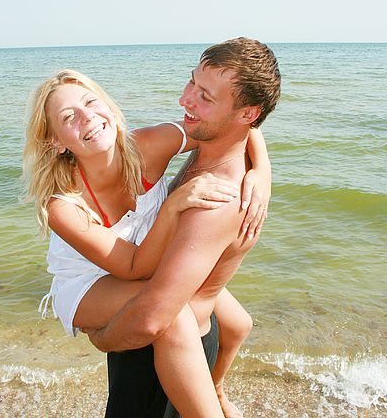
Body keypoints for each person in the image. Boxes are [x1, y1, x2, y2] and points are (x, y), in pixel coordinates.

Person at [23, 66, 272, 418]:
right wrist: (173, 206)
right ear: (55, 140)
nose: (88, 118)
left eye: (91, 103)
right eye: (69, 117)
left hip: (146, 256)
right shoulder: (64, 206)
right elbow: (133, 267)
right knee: (177, 319)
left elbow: (228, 125)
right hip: (92, 282)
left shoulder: (150, 144)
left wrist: (262, 172)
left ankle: (215, 389)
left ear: (108, 106)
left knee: (238, 324)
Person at [85, 37, 281, 418]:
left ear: (247, 113)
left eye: (205, 96)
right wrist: (263, 168)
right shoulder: (211, 139)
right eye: (192, 82)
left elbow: (153, 317)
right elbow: (249, 129)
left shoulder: (217, 201)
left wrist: (103, 338)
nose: (186, 99)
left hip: (165, 355)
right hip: (171, 343)